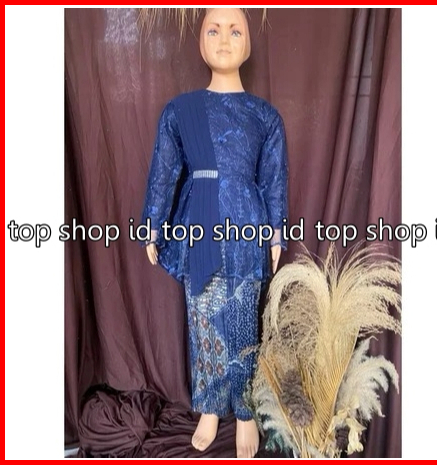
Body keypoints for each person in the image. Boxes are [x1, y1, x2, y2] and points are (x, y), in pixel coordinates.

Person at [141, 8, 289, 458]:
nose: (224, 39)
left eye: (235, 30)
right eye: (214, 29)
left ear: (248, 43)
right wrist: (153, 224)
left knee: (243, 322)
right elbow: (165, 172)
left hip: (247, 230)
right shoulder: (180, 111)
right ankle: (208, 407)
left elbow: (274, 178)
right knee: (203, 319)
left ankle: (244, 412)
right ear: (200, 41)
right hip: (199, 227)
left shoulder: (265, 116)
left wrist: (276, 234)